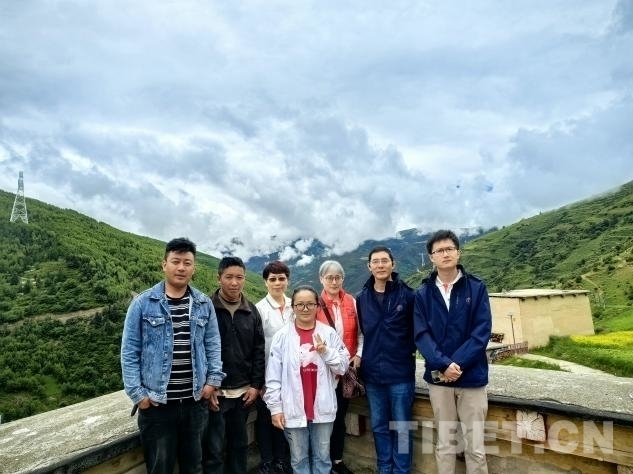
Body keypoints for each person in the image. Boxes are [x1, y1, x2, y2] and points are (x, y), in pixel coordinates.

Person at [121, 237, 225, 474]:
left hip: (195, 403)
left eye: (187, 263)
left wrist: (212, 383)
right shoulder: (143, 303)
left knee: (193, 467)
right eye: (176, 261)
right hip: (157, 405)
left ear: (193, 268)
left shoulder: (203, 303)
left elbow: (213, 345)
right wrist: (139, 395)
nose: (181, 268)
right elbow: (129, 352)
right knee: (160, 468)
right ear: (164, 264)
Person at [413, 230, 492, 474]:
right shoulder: (423, 294)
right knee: (445, 442)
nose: (445, 254)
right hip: (439, 379)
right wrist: (443, 365)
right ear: (431, 257)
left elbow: (482, 331)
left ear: (458, 252)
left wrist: (455, 364)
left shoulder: (476, 288)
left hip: (472, 377)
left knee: (475, 445)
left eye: (449, 249)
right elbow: (421, 334)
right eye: (439, 251)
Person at [264, 285, 350, 474]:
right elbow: (273, 377)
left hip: (322, 406)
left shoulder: (328, 333)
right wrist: (275, 409)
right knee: (298, 459)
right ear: (293, 307)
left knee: (322, 458)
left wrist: (326, 352)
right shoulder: (282, 337)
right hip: (292, 407)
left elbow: (343, 367)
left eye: (310, 304)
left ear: (317, 306)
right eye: (300, 304)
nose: (305, 309)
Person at [356, 246, 416, 474]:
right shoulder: (362, 298)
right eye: (375, 261)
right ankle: (384, 468)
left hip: (401, 374)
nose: (380, 265)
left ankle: (401, 470)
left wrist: (405, 351)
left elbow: (417, 331)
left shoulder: (408, 295)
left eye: (384, 261)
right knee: (380, 426)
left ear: (393, 264)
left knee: (403, 427)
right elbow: (361, 333)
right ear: (369, 266)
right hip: (372, 375)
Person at [204, 256, 266, 474]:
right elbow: (198, 351)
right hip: (215, 393)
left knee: (239, 446)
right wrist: (207, 387)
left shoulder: (251, 311)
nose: (234, 282)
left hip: (243, 393)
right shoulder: (207, 308)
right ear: (218, 278)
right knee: (213, 449)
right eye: (229, 277)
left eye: (239, 277)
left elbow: (258, 350)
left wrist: (255, 385)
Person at [315, 260, 363, 474]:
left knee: (339, 418)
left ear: (343, 279)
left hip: (344, 372)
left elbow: (361, 333)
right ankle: (320, 461)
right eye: (329, 278)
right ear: (321, 279)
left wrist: (358, 354)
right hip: (321, 372)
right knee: (320, 418)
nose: (334, 282)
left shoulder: (352, 302)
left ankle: (336, 461)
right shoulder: (314, 303)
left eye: (338, 277)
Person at [255, 261, 293, 473]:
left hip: (291, 375)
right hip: (268, 375)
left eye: (281, 278)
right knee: (265, 419)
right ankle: (267, 461)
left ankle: (281, 459)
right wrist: (260, 381)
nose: (277, 283)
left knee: (284, 417)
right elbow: (256, 347)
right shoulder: (259, 309)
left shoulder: (294, 306)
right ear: (265, 282)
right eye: (273, 279)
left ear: (287, 281)